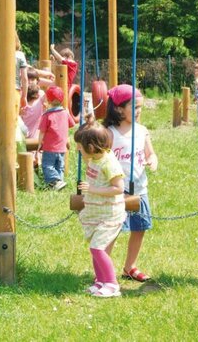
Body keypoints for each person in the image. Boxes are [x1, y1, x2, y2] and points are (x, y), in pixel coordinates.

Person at [102, 84, 158, 283]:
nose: (138, 111)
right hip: (118, 191)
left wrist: (152, 161)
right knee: (113, 229)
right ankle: (103, 271)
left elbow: (151, 154)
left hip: (139, 189)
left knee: (139, 228)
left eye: (140, 107)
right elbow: (100, 159)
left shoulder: (142, 131)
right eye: (134, 107)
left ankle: (129, 266)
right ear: (118, 109)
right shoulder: (110, 133)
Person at [74, 118, 126, 298]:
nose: (77, 149)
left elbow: (119, 188)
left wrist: (93, 190)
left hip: (110, 215)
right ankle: (100, 282)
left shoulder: (108, 162)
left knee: (97, 249)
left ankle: (112, 284)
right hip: (96, 212)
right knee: (95, 249)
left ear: (90, 147)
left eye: (80, 146)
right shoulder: (94, 159)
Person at [38, 85, 76, 190]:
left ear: (48, 99)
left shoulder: (47, 116)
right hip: (62, 147)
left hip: (50, 147)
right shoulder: (65, 113)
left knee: (47, 166)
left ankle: (56, 181)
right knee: (59, 167)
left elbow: (42, 132)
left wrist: (39, 144)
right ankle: (59, 183)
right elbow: (70, 126)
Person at [0, 32, 29, 112]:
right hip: (14, 89)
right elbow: (24, 78)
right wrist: (24, 96)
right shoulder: (19, 55)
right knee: (13, 118)